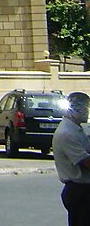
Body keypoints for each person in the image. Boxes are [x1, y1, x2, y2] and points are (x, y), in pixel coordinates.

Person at [53, 91, 90, 226]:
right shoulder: (67, 133)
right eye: (86, 109)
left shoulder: (76, 129)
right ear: (75, 109)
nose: (87, 112)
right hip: (80, 191)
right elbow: (86, 162)